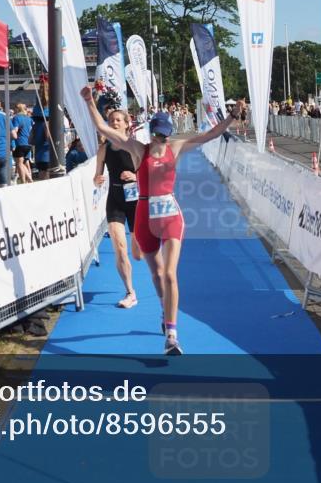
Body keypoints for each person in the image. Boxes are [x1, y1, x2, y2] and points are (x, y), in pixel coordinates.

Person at [81, 84, 243, 354]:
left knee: (169, 273)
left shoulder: (176, 147)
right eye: (158, 135)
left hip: (170, 217)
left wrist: (233, 116)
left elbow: (211, 134)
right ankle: (164, 309)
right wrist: (89, 102)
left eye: (164, 136)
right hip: (144, 218)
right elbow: (104, 130)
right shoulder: (137, 149)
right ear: (151, 133)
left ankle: (171, 334)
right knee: (156, 275)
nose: (161, 140)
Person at [94, 107, 144, 309]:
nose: (114, 123)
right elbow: (96, 179)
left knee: (138, 254)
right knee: (119, 247)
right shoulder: (104, 149)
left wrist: (135, 177)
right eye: (111, 121)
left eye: (118, 120)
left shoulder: (136, 147)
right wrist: (98, 179)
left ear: (126, 123)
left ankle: (139, 244)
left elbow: (148, 176)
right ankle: (130, 292)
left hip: (135, 201)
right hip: (115, 200)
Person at [11, 103, 34, 184]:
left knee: (19, 164)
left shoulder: (16, 118)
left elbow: (15, 130)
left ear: (18, 109)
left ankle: (25, 181)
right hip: (28, 144)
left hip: (20, 143)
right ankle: (28, 179)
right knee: (25, 163)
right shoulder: (29, 118)